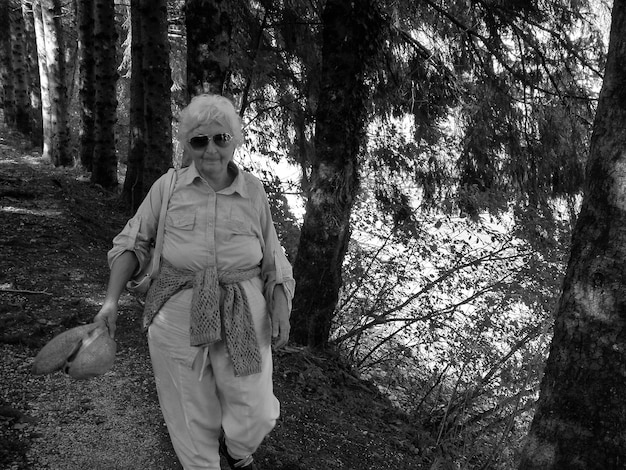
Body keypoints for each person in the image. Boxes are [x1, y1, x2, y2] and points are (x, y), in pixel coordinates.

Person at [94, 93, 295, 470]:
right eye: (199, 140)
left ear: (235, 139)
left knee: (257, 412)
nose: (211, 150)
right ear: (186, 144)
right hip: (177, 315)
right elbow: (132, 242)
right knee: (190, 414)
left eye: (221, 138)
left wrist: (281, 302)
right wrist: (110, 303)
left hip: (244, 315)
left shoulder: (253, 192)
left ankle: (237, 450)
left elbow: (273, 256)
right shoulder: (168, 188)